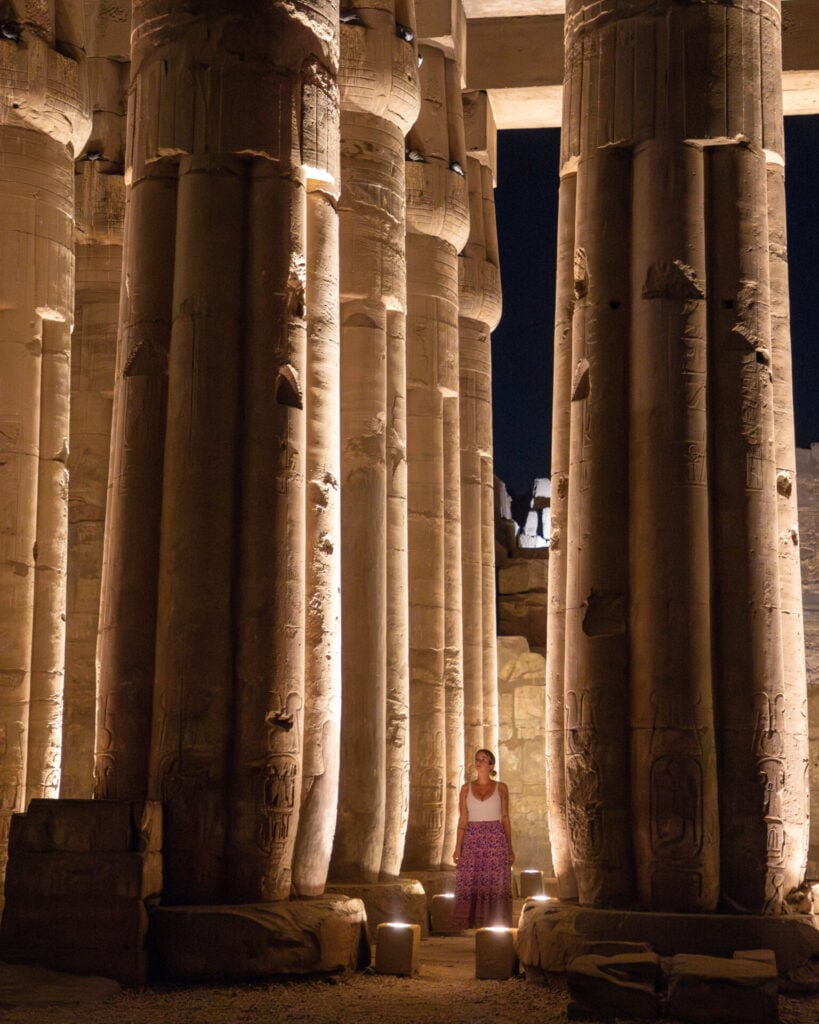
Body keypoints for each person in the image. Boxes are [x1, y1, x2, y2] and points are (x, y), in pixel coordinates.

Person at [452, 748, 514, 928]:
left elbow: (505, 817)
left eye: (483, 759)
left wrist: (509, 847)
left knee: (494, 878)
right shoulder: (466, 789)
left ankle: (494, 919)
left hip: (495, 838)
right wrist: (457, 847)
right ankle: (473, 920)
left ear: (491, 765)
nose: (479, 762)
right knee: (471, 877)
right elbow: (462, 819)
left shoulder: (501, 788)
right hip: (473, 837)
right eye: (477, 759)